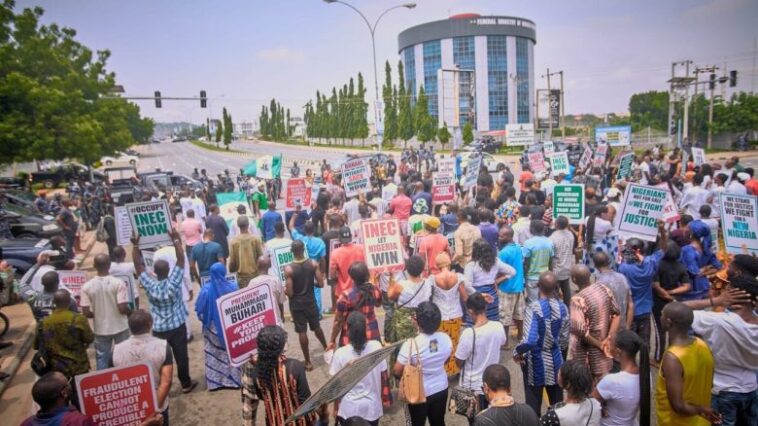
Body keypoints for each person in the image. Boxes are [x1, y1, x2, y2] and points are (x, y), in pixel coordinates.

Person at [681, 255, 758, 426]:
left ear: (733, 295)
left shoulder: (717, 322)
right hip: (751, 389)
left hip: (723, 391)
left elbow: (677, 309)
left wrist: (715, 301)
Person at [133, 230, 198, 394]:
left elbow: (138, 267)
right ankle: (185, 384)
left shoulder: (150, 284)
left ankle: (163, 386)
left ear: (154, 271)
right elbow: (181, 259)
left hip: (159, 328)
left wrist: (135, 245)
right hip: (177, 326)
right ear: (169, 269)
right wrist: (175, 240)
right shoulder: (174, 282)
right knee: (181, 356)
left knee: (161, 359)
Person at [514, 271, 569, 417]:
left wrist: (518, 352)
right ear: (556, 287)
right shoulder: (563, 308)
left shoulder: (534, 308)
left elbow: (530, 340)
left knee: (533, 408)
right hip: (556, 361)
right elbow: (564, 339)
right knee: (557, 408)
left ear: (539, 287)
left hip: (535, 363)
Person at [655, 302, 719, 426]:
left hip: (678, 422)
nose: (660, 316)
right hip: (702, 422)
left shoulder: (673, 358)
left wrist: (701, 410)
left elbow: (678, 406)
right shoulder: (701, 344)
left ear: (668, 322)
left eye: (662, 314)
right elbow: (709, 381)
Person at [241, 325, 318, 426]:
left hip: (273, 421)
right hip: (298, 422)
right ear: (281, 347)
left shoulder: (256, 372)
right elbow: (305, 399)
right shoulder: (294, 366)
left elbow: (261, 396)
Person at [393, 302, 452, 426]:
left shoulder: (411, 344)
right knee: (438, 422)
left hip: (418, 391)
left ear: (417, 321)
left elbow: (397, 371)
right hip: (441, 387)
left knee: (417, 423)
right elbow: (446, 360)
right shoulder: (446, 338)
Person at [112, 310, 174, 423]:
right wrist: (154, 410)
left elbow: (113, 384)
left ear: (129, 326)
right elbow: (166, 382)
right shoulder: (163, 346)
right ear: (150, 324)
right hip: (158, 404)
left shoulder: (116, 351)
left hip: (130, 408)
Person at [329, 312, 388, 426]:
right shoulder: (377, 347)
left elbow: (335, 386)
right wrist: (380, 398)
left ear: (347, 328)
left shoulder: (340, 354)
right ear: (365, 328)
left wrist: (336, 408)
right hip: (372, 408)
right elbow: (382, 377)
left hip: (348, 409)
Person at [455, 293, 507, 414]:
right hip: (493, 384)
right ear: (486, 308)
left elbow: (459, 361)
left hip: (473, 387)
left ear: (470, 311)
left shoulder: (469, 333)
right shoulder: (498, 326)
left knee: (475, 419)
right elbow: (503, 342)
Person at [194, 263, 242, 390]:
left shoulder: (205, 290)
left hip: (211, 328)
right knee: (230, 352)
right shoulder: (233, 287)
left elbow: (199, 310)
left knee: (213, 353)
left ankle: (216, 382)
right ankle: (233, 381)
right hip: (229, 328)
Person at [618, 221, 667, 347]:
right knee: (645, 343)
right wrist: (661, 229)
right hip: (645, 309)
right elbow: (663, 248)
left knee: (629, 344)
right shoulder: (650, 264)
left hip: (629, 311)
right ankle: (644, 365)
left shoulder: (623, 268)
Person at [569, 264, 620, 381]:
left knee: (587, 387)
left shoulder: (577, 300)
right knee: (602, 385)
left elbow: (581, 331)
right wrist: (609, 338)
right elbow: (617, 314)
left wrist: (600, 345)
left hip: (587, 355)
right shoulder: (603, 288)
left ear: (574, 279)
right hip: (604, 353)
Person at [79, 253, 130, 370]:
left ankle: (104, 383)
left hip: (100, 329)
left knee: (102, 359)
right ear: (109, 265)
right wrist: (131, 312)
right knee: (124, 357)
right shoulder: (118, 283)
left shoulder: (86, 287)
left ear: (94, 266)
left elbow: (86, 312)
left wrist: (97, 313)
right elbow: (122, 308)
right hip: (120, 326)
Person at [592, 330, 650, 426]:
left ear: (618, 352)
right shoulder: (646, 377)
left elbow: (591, 402)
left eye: (612, 345)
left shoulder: (612, 381)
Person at [285, 240, 327, 371]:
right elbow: (321, 284)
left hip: (297, 305)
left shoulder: (289, 269)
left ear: (292, 251)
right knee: (316, 327)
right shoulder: (313, 264)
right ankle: (327, 347)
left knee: (302, 331)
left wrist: (286, 290)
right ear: (303, 250)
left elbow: (290, 293)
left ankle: (308, 362)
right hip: (310, 301)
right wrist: (311, 284)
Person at [430, 252, 473, 376]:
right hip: (455, 314)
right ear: (449, 263)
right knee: (454, 343)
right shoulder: (458, 277)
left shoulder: (433, 279)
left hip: (439, 316)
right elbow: (465, 296)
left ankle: (439, 369)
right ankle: (454, 369)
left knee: (438, 343)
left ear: (437, 265)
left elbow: (428, 295)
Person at [35, 290, 93, 380]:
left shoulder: (43, 322)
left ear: (54, 302)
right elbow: (89, 338)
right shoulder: (78, 319)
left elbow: (36, 345)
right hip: (78, 366)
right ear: (69, 302)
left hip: (56, 369)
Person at [327, 262, 381, 350]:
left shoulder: (345, 296)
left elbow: (338, 322)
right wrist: (375, 283)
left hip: (351, 339)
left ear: (352, 278)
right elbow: (378, 304)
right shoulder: (375, 291)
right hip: (372, 335)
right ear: (367, 275)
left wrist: (332, 340)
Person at [652, 242, 691, 362]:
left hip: (658, 301)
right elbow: (686, 286)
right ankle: (673, 354)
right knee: (674, 328)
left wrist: (665, 294)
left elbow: (656, 285)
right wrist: (673, 293)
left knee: (660, 330)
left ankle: (659, 357)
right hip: (674, 302)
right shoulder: (681, 266)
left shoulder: (658, 265)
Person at [463, 239, 516, 325]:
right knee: (492, 323)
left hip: (475, 296)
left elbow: (467, 285)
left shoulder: (471, 265)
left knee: (476, 323)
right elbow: (512, 272)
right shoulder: (495, 261)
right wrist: (499, 280)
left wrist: (480, 295)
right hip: (491, 295)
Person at [540, 360, 602, 426]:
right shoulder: (595, 404)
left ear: (568, 384)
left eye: (559, 373)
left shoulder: (555, 415)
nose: (557, 374)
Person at [473, 364, 539, 426]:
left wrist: (471, 419)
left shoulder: (482, 420)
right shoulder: (529, 411)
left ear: (486, 388)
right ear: (509, 388)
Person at [386, 255, 432, 344]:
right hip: (422, 321)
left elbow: (390, 295)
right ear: (422, 269)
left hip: (403, 324)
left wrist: (391, 278)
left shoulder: (401, 285)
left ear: (407, 269)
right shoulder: (428, 283)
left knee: (404, 347)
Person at [20, 372, 94, 426]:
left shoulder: (26, 423)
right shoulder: (78, 421)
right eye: (68, 382)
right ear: (64, 393)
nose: (70, 384)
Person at [289, 215, 327, 314]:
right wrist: (322, 272)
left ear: (304, 230)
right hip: (315, 268)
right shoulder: (320, 242)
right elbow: (323, 259)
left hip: (301, 268)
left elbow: (291, 227)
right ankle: (317, 312)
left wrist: (295, 215)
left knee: (302, 290)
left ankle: (303, 312)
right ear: (314, 229)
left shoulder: (300, 239)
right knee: (316, 290)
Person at [497, 225, 525, 343]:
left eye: (502, 236)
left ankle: (505, 342)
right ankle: (520, 336)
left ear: (508, 237)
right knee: (519, 315)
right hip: (519, 287)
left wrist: (497, 282)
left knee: (505, 317)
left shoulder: (503, 253)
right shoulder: (518, 248)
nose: (499, 237)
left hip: (506, 287)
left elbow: (499, 271)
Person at [593, 252, 633, 333]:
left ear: (595, 266)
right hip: (622, 327)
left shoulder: (599, 283)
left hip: (608, 330)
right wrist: (627, 328)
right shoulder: (622, 277)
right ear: (609, 262)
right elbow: (631, 305)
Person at [522, 220, 554, 304]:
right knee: (545, 301)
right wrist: (550, 273)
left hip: (532, 277)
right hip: (545, 276)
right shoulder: (549, 242)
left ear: (532, 229)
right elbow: (551, 261)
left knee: (533, 302)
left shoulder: (528, 243)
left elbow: (526, 263)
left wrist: (524, 275)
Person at [329, 226, 365, 299]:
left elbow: (332, 275)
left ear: (339, 238)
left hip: (344, 292)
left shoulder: (335, 253)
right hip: (360, 290)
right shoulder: (362, 248)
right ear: (351, 237)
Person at [228, 215, 264, 288]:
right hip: (256, 275)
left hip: (242, 278)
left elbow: (232, 262)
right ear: (248, 225)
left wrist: (232, 272)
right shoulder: (256, 239)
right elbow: (261, 257)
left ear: (238, 226)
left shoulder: (234, 242)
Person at [248, 256, 287, 320]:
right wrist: (282, 316)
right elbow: (280, 303)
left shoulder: (252, 283)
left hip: (260, 320)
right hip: (276, 318)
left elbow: (250, 305)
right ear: (270, 265)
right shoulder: (276, 280)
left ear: (257, 266)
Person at [549, 216, 575, 307]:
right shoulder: (570, 235)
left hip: (556, 269)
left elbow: (550, 255)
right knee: (566, 290)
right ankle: (567, 309)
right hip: (567, 267)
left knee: (554, 292)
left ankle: (556, 310)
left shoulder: (553, 238)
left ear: (556, 224)